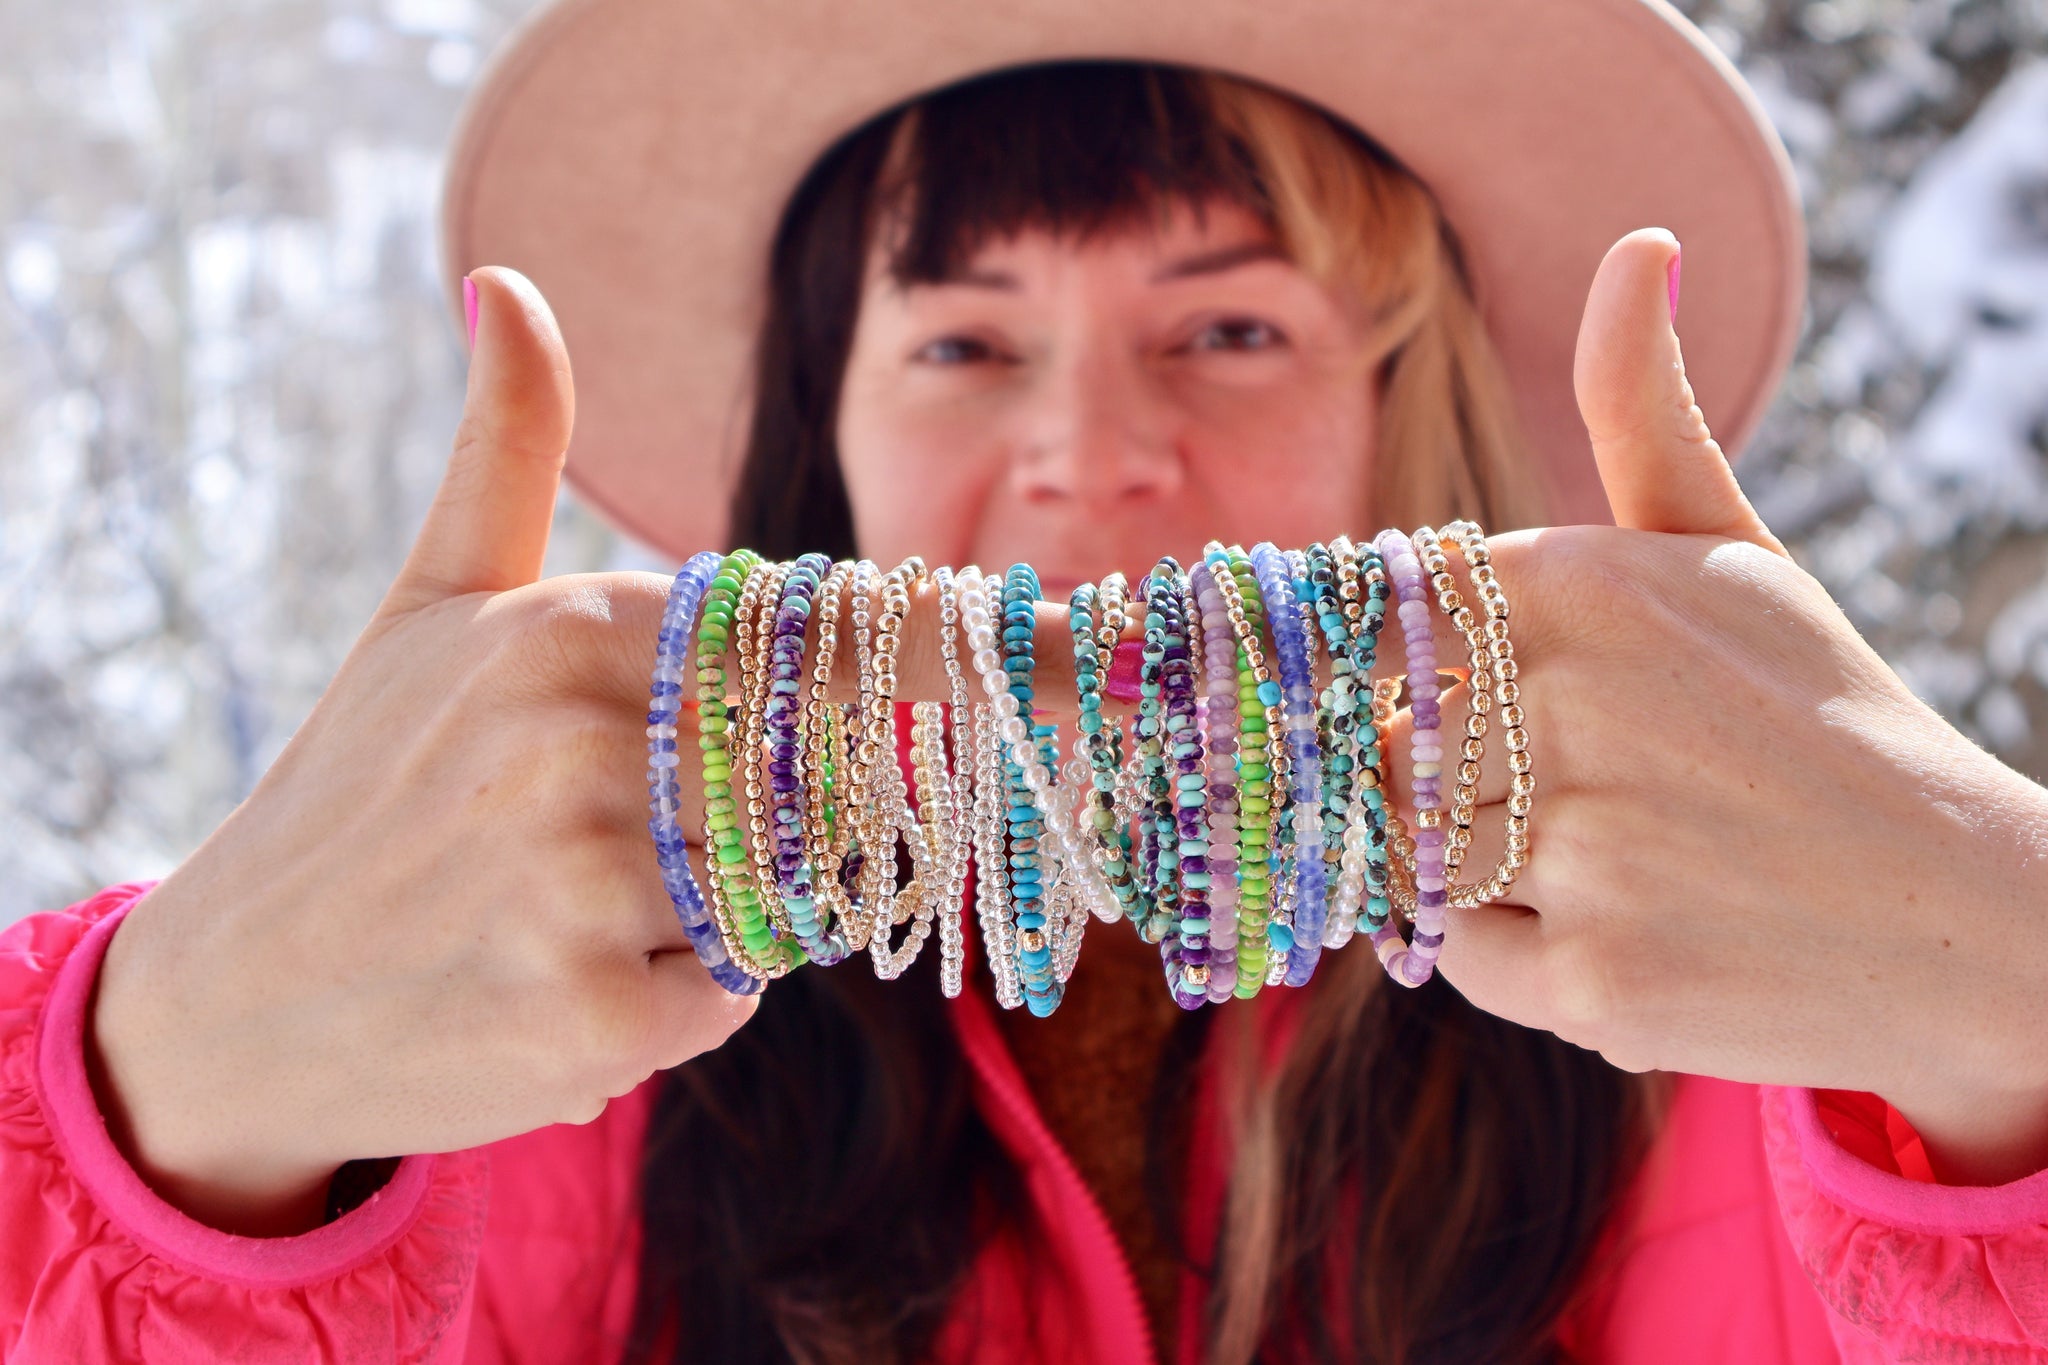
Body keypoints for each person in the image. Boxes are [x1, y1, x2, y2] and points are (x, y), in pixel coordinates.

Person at [5, 1, 2048, 1362]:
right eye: (964, 346)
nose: (1089, 450)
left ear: (1399, 405)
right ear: (820, 439)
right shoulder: (502, 1069)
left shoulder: (1765, 1050)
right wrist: (148, 1113)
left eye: (1229, 327)